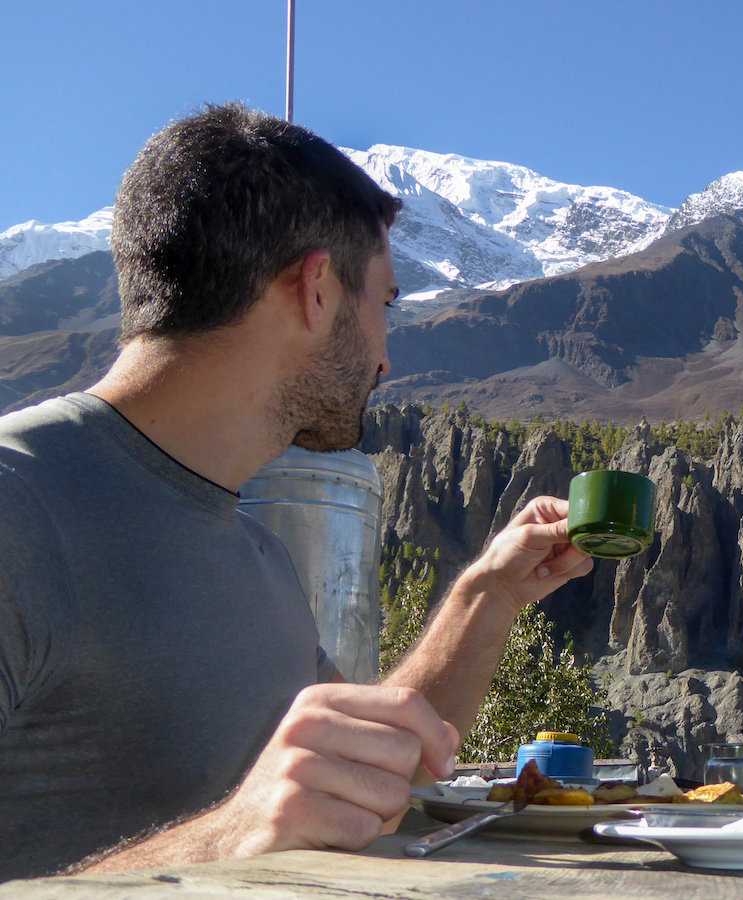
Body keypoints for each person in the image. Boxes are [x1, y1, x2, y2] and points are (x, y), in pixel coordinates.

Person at [0, 103, 595, 880]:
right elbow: (260, 821)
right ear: (316, 289)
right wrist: (224, 840)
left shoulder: (253, 552)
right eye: (383, 304)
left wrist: (487, 594)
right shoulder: (17, 507)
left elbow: (370, 773)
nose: (386, 358)